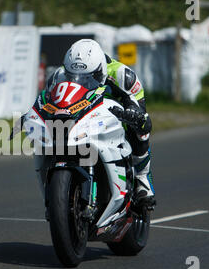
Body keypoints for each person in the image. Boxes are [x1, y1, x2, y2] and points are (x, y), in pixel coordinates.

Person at [25, 39, 156, 210]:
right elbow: (47, 100)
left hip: (113, 119)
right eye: (72, 75)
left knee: (141, 126)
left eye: (88, 77)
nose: (78, 80)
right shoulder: (59, 75)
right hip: (81, 119)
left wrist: (132, 113)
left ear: (100, 69)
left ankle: (142, 179)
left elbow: (139, 107)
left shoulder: (123, 75)